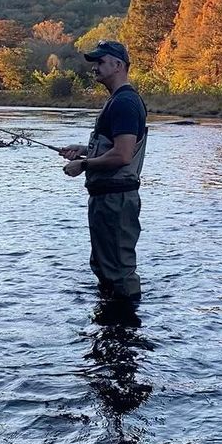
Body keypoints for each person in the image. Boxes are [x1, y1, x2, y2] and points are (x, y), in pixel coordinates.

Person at [60, 40, 148, 299]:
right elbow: (115, 147)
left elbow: (122, 155)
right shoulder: (118, 102)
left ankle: (127, 331)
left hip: (116, 200)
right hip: (107, 199)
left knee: (119, 271)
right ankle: (110, 328)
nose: (95, 67)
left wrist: (83, 165)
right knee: (105, 267)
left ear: (118, 65)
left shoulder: (124, 103)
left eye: (100, 62)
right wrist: (83, 149)